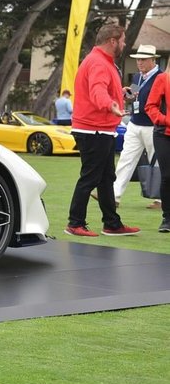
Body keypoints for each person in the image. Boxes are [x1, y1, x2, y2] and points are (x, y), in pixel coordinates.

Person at [65, 23, 139, 237]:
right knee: (90, 177)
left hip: (98, 129)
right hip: (93, 130)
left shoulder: (100, 61)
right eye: (123, 40)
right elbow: (97, 91)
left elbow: (100, 89)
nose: (124, 44)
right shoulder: (99, 63)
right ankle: (75, 223)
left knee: (106, 178)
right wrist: (110, 105)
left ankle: (112, 224)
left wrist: (119, 93)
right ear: (112, 41)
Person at [112, 45, 161, 209]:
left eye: (143, 59)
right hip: (135, 123)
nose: (139, 62)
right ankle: (114, 195)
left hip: (153, 126)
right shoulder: (138, 78)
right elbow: (134, 96)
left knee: (158, 161)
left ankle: (161, 199)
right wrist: (125, 93)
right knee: (126, 158)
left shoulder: (161, 78)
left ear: (153, 60)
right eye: (138, 59)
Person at [145, 50, 170, 232]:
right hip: (164, 134)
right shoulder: (163, 79)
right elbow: (150, 106)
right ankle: (167, 218)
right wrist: (165, 120)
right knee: (167, 176)